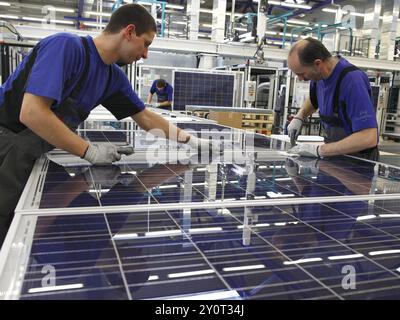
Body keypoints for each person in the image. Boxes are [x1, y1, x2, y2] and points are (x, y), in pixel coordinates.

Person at [0, 4, 218, 248]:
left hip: (33, 152)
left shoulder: (112, 77)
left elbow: (145, 118)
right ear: (129, 31)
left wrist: (192, 141)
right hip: (6, 144)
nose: (145, 54)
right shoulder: (66, 47)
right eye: (145, 44)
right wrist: (88, 151)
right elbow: (32, 113)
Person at [286, 37, 379, 161]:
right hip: (333, 156)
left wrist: (318, 150)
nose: (300, 79)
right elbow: (313, 101)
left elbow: (368, 138)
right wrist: (300, 116)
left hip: (358, 162)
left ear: (318, 64)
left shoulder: (352, 81)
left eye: (302, 74)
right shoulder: (318, 78)